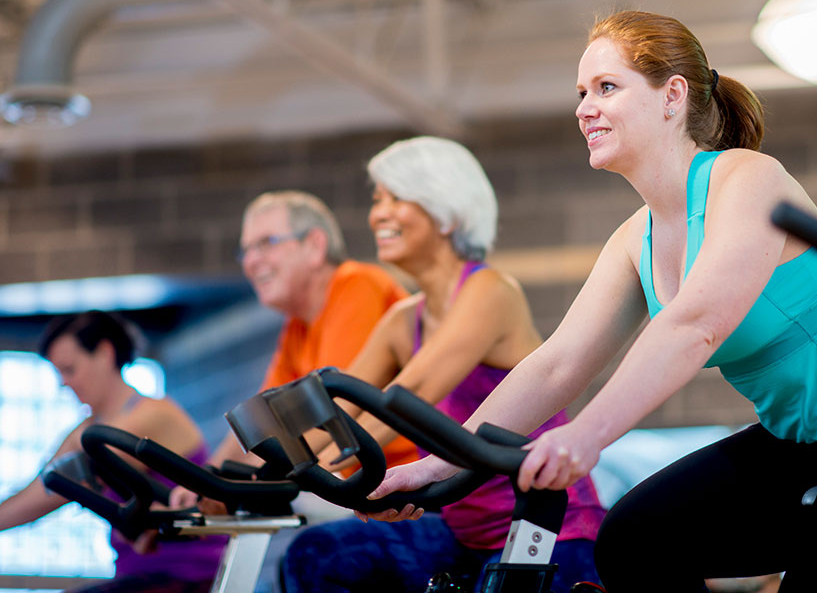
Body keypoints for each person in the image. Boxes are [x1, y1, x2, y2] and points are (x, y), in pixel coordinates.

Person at [365, 10, 817, 592]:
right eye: (581, 92)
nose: (585, 108)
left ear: (671, 95)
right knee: (636, 541)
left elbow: (696, 324)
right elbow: (558, 363)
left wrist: (588, 436)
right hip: (805, 443)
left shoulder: (748, 179)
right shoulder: (636, 237)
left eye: (606, 87)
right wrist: (437, 466)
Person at [281, 136, 605, 593]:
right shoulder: (402, 320)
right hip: (462, 534)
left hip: (549, 532)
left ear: (447, 211)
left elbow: (410, 395)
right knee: (316, 556)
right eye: (378, 200)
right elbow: (334, 410)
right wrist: (278, 467)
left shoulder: (491, 291)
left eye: (398, 198)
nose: (379, 214)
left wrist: (330, 476)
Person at [168, 190, 410, 593]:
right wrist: (206, 479)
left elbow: (338, 419)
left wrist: (247, 486)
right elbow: (259, 423)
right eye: (244, 250)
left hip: (406, 494)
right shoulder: (298, 326)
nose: (250, 261)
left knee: (308, 559)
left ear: (314, 245)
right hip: (349, 493)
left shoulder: (357, 285)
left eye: (266, 243)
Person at [0, 310, 224, 593]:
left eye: (69, 369)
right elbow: (40, 487)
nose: (63, 382)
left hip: (189, 577)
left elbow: (58, 490)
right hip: (137, 577)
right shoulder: (87, 429)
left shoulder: (152, 415)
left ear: (105, 353)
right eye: (58, 373)